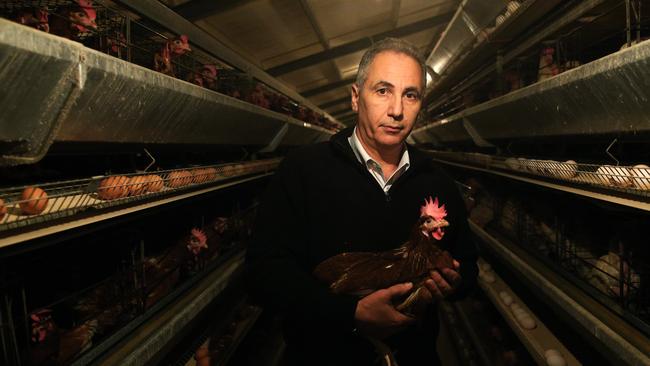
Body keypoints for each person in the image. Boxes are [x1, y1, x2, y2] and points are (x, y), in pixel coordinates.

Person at [246, 37, 478, 366]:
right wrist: (350, 313)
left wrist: (452, 282)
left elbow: (468, 265)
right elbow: (262, 272)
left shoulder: (437, 182)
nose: (396, 110)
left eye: (410, 95)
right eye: (382, 90)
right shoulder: (303, 171)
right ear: (356, 97)